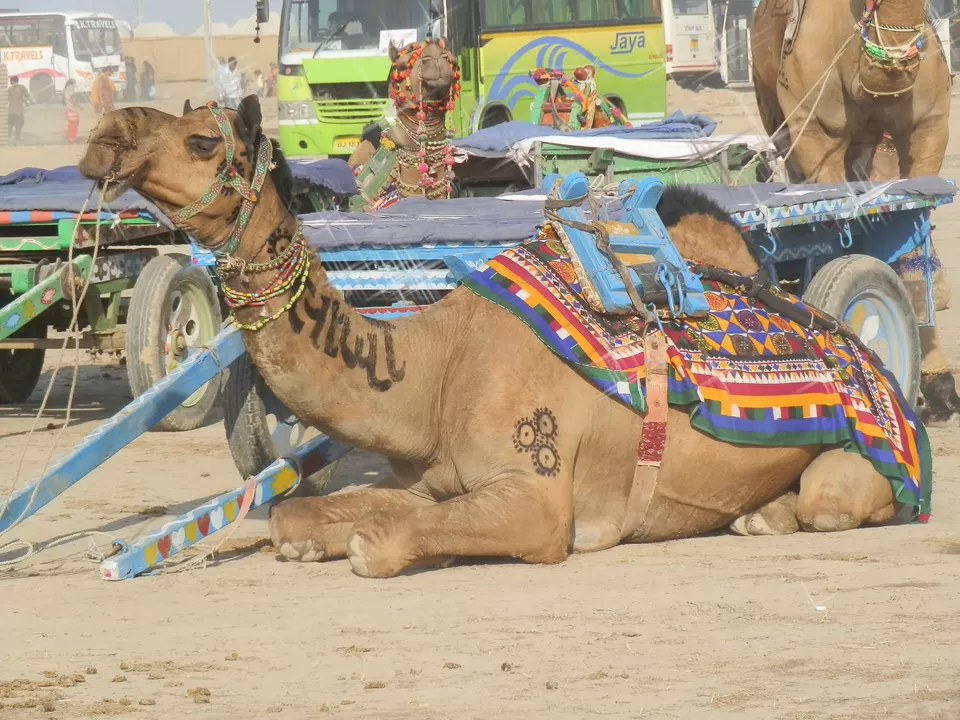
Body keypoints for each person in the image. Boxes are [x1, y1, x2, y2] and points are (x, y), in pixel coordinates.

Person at [7, 75, 31, 144]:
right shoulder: (22, 87)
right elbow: (27, 96)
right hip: (18, 111)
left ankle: (8, 137)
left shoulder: (9, 89)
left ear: (12, 81)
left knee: (10, 124)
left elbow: (7, 98)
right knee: (19, 124)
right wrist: (27, 102)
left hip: (11, 111)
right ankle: (17, 138)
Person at [62, 79, 80, 144]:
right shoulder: (70, 90)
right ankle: (72, 137)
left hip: (68, 109)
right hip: (72, 109)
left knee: (72, 123)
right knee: (74, 124)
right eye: (74, 83)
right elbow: (72, 99)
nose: (75, 85)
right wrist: (78, 106)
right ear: (71, 84)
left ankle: (69, 135)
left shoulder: (65, 90)